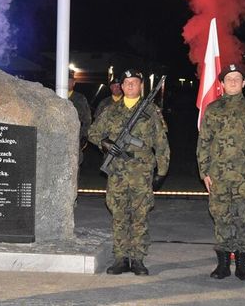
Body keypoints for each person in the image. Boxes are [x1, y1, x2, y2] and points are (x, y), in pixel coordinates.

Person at [88, 69, 170, 276]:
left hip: (141, 173)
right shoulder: (110, 110)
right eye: (127, 83)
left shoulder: (151, 111)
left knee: (140, 216)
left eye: (135, 82)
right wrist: (105, 143)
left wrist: (161, 171)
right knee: (119, 215)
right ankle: (120, 258)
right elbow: (93, 132)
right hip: (117, 173)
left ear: (141, 86)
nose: (131, 86)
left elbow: (161, 143)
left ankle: (138, 259)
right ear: (122, 86)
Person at [197, 64, 245, 281]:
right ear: (222, 84)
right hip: (218, 176)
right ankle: (223, 265)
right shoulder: (213, 109)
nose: (234, 82)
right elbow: (204, 142)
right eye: (229, 79)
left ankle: (242, 266)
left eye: (237, 78)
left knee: (242, 219)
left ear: (244, 83)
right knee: (221, 218)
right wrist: (204, 171)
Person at [68, 70, 91, 163]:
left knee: (75, 162)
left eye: (70, 81)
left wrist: (84, 136)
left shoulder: (80, 98)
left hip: (76, 136)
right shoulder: (55, 97)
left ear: (74, 83)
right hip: (59, 136)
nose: (67, 83)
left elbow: (87, 119)